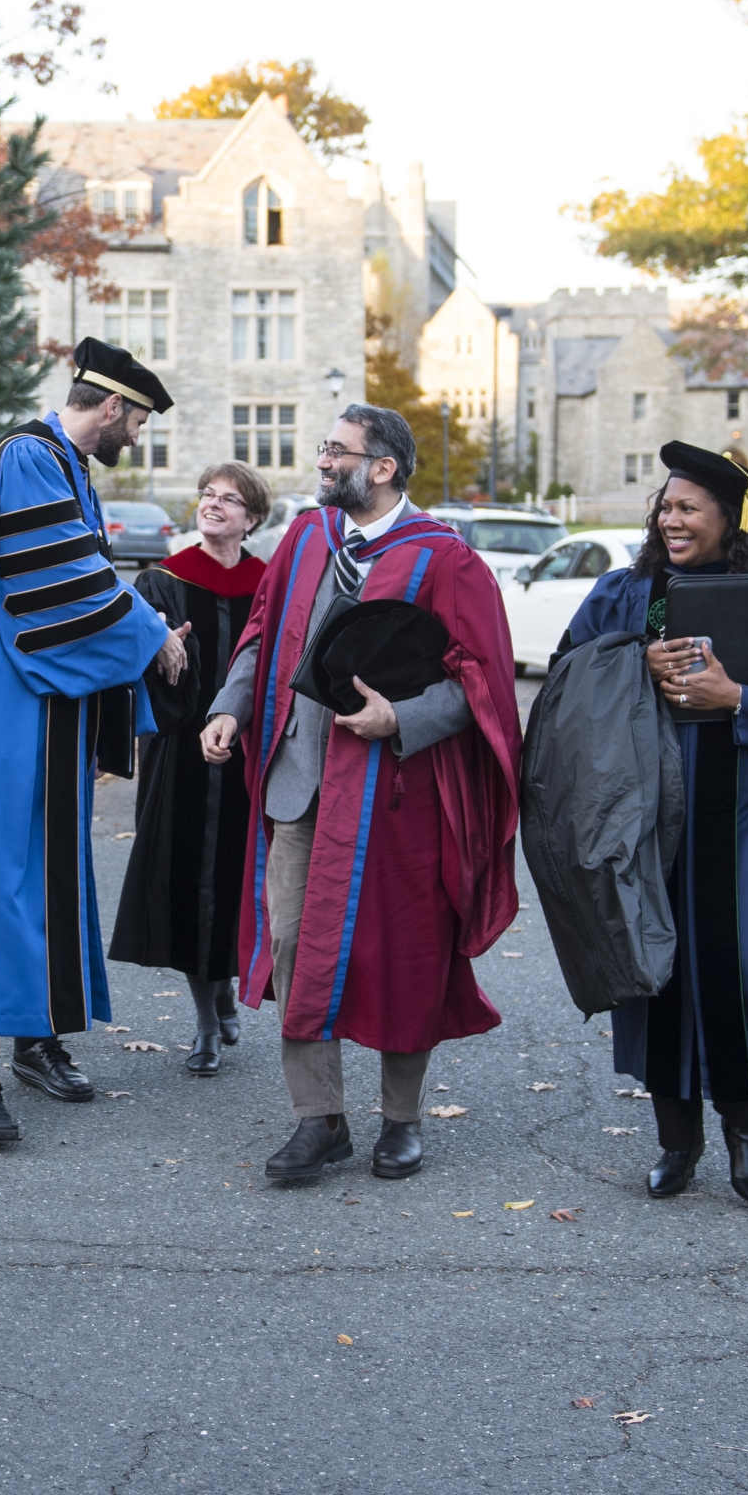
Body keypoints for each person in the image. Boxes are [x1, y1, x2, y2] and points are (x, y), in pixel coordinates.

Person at [201, 404, 523, 1185]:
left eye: (337, 452)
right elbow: (265, 631)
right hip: (300, 786)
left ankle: (402, 1121)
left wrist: (401, 717)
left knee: (403, 954)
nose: (322, 462)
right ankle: (320, 1121)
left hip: (394, 797)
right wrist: (230, 706)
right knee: (292, 949)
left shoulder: (444, 560)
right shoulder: (309, 540)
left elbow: (483, 682)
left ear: (381, 468)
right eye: (323, 449)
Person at [0, 338, 188, 1145]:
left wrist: (139, 629)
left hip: (48, 706)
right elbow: (64, 580)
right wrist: (151, 634)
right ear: (111, 407)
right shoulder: (29, 456)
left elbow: (80, 581)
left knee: (52, 880)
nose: (136, 435)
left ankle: (38, 1038)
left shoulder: (69, 469)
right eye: (135, 420)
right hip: (5, 707)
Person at [556, 442, 748, 1205]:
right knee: (653, 974)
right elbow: (564, 680)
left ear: (733, 518)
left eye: (689, 507)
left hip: (745, 826)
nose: (670, 517)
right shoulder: (634, 595)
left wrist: (743, 702)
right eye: (666, 505)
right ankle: (676, 1143)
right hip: (644, 824)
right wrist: (635, 667)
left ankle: (745, 1137)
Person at [109, 460, 270, 1074]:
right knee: (186, 877)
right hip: (180, 753)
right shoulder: (162, 582)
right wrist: (154, 641)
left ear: (251, 518)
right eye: (207, 495)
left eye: (229, 499)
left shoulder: (269, 583)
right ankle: (205, 1021)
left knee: (235, 874)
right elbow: (133, 666)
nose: (214, 505)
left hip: (252, 753)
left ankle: (225, 986)